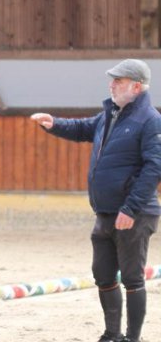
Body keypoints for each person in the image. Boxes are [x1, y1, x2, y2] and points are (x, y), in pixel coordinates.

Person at [31, 59, 161, 342]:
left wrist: (130, 208)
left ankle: (132, 337)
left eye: (118, 81)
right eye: (112, 80)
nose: (111, 85)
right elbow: (81, 128)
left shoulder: (151, 121)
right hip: (105, 212)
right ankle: (112, 334)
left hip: (134, 214)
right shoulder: (110, 115)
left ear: (136, 87)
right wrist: (54, 124)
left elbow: (155, 168)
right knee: (102, 274)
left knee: (132, 278)